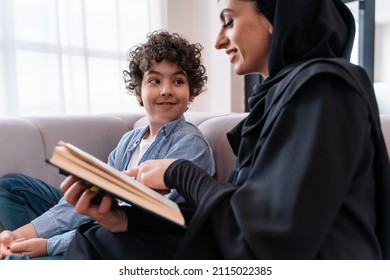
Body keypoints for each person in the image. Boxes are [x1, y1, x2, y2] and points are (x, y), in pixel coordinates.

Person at [62, 0, 390, 259]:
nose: (219, 41)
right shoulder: (280, 99)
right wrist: (127, 218)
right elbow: (234, 213)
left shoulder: (325, 89)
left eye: (229, 21)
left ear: (277, 17)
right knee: (98, 237)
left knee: (98, 249)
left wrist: (179, 173)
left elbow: (271, 234)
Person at [0, 30, 215, 259]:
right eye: (154, 80)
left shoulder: (190, 143)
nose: (166, 90)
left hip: (129, 239)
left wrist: (49, 245)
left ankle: (40, 256)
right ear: (138, 92)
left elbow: (138, 222)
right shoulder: (129, 141)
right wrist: (16, 235)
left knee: (93, 235)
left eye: (178, 81)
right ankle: (22, 250)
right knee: (12, 186)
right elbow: (89, 203)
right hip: (99, 224)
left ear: (191, 93)